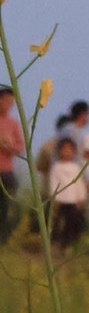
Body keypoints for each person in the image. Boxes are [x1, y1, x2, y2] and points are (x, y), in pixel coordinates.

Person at [45, 135, 89, 248]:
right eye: (64, 149)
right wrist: (54, 199)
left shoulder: (76, 167)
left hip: (72, 201)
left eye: (70, 149)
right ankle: (54, 242)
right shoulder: (56, 167)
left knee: (71, 223)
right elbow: (53, 184)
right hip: (60, 200)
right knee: (57, 223)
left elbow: (79, 184)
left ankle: (67, 244)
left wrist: (81, 199)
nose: (67, 152)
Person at [0, 83, 25, 243]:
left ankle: (3, 238)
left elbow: (20, 147)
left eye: (12, 102)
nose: (10, 105)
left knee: (8, 205)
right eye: (7, 101)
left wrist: (9, 146)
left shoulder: (13, 123)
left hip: (6, 170)